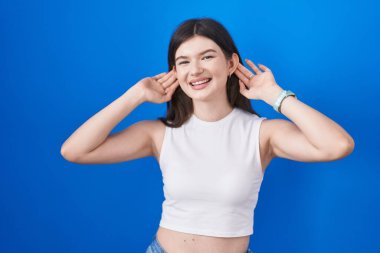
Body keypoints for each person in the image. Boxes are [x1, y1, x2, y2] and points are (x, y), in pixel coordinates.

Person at [60, 18, 355, 253]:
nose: (196, 70)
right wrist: (134, 95)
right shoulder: (160, 134)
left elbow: (337, 145)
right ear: (175, 71)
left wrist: (274, 95)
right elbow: (75, 151)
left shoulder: (262, 133)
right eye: (184, 61)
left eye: (207, 56)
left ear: (230, 64)